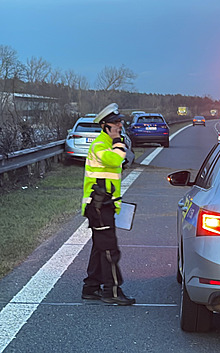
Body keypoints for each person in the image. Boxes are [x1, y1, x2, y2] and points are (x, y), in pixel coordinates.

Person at [81, 103, 135, 305]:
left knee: (99, 248)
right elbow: (116, 160)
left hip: (104, 205)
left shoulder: (107, 143)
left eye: (120, 122)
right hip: (99, 206)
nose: (120, 126)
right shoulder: (101, 146)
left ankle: (90, 287)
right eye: (115, 123)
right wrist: (119, 142)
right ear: (105, 126)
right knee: (110, 250)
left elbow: (125, 161)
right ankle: (111, 292)